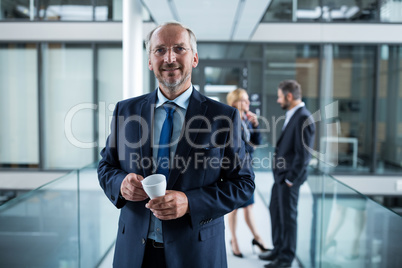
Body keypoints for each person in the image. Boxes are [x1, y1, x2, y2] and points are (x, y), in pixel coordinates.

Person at [97, 22, 255, 268]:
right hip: (135, 255)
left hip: (196, 254)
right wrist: (121, 184)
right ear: (150, 61)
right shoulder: (125, 111)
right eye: (160, 50)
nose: (169, 58)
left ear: (194, 58)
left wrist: (191, 203)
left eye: (179, 48)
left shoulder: (224, 117)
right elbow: (106, 166)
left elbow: (244, 184)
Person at [259, 80, 315, 268]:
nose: (278, 100)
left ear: (289, 96)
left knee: (288, 219)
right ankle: (278, 249)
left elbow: (304, 155)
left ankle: (285, 259)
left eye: (280, 96)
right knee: (276, 212)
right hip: (280, 178)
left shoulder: (303, 118)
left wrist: (291, 179)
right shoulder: (293, 115)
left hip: (289, 179)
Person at [226, 88, 269, 258]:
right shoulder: (230, 119)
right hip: (233, 168)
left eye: (247, 100)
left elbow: (256, 143)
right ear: (234, 102)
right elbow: (235, 146)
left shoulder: (247, 119)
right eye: (244, 100)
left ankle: (257, 238)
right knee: (234, 208)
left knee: (249, 205)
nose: (248, 103)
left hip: (247, 168)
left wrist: (256, 125)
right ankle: (234, 240)